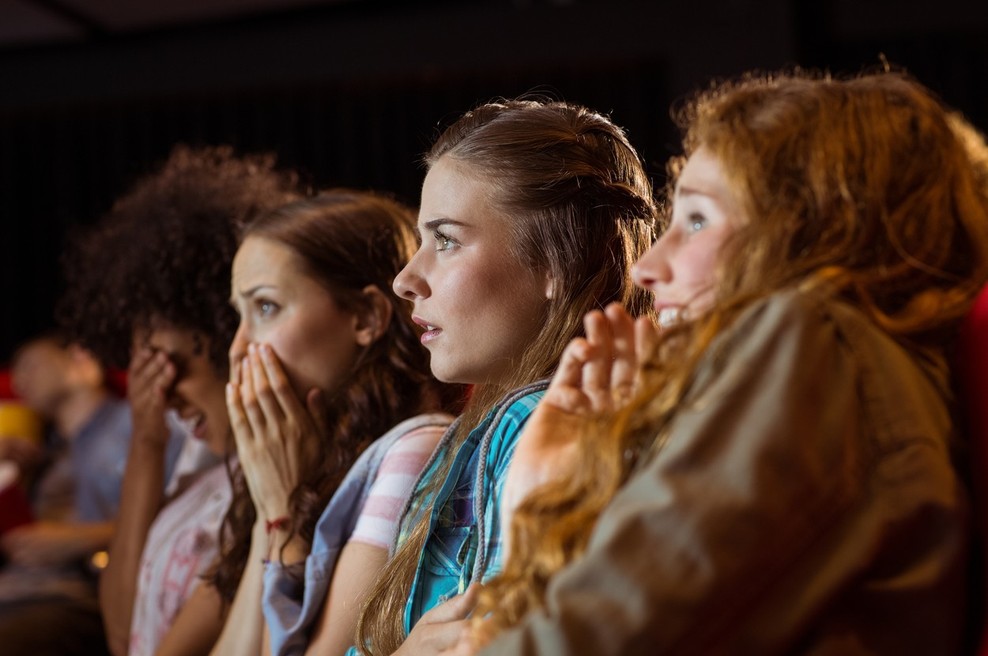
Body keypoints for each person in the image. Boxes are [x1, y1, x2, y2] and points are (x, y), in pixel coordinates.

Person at [458, 71, 988, 655]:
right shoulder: (851, 360)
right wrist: (555, 494)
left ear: (808, 227)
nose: (646, 268)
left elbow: (593, 638)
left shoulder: (815, 336)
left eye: (698, 220)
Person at [352, 98, 657, 656]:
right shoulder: (487, 427)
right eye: (422, 241)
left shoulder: (533, 422)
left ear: (557, 262)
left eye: (446, 240)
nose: (406, 279)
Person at [59, 145, 299, 656]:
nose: (161, 396)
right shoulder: (202, 460)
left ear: (230, 336)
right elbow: (122, 630)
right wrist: (146, 441)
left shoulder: (277, 476)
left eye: (172, 365)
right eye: (146, 371)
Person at [211, 191, 462, 656]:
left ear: (366, 317)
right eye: (238, 316)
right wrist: (272, 510)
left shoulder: (414, 450)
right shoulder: (305, 462)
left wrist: (284, 520)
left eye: (265, 307)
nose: (238, 349)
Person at [0, 334, 183, 656]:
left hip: (74, 599)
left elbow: (188, 510)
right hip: (18, 593)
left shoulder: (141, 423)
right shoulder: (46, 454)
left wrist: (83, 538)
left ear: (82, 362)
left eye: (31, 365)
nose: (18, 381)